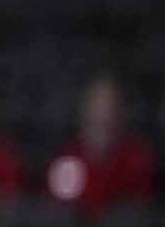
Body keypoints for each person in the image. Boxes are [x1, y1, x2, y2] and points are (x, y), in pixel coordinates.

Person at [44, 72, 155, 218]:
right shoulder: (66, 159)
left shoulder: (138, 160)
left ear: (120, 113)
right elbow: (56, 216)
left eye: (109, 108)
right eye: (96, 106)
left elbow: (141, 215)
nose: (102, 115)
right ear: (84, 111)